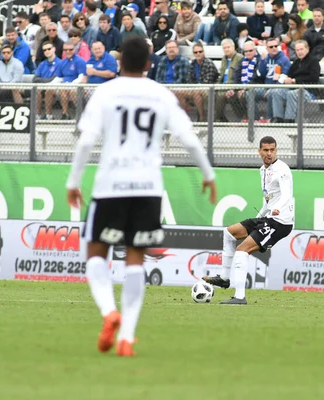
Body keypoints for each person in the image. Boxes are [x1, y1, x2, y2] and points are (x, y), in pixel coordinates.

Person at [65, 37, 217, 357]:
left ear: (119, 63)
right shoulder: (160, 94)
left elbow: (85, 142)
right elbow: (189, 138)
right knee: (136, 259)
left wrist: (73, 181)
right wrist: (208, 174)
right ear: (149, 64)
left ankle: (109, 313)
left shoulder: (105, 92)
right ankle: (128, 338)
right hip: (148, 187)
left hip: (110, 186)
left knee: (95, 253)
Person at [203, 136, 294, 305]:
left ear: (276, 150)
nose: (269, 153)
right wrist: (261, 215)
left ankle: (239, 297)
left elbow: (286, 195)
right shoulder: (263, 170)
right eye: (265, 150)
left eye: (272, 150)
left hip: (280, 222)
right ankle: (224, 278)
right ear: (259, 151)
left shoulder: (282, 169)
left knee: (242, 250)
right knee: (229, 233)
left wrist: (278, 208)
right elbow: (268, 199)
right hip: (268, 217)